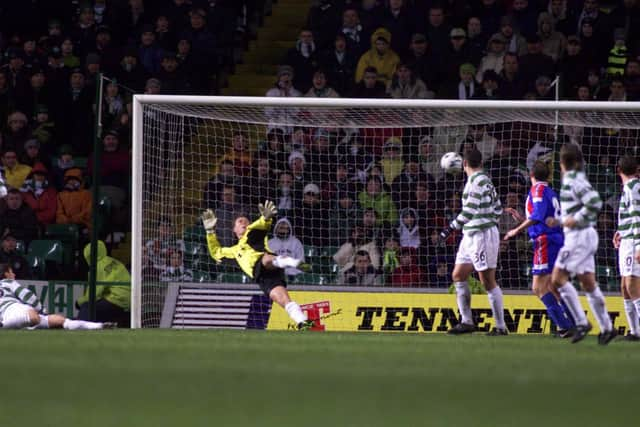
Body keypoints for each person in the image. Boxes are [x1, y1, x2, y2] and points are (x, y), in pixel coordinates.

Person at [201, 200, 313, 330]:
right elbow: (216, 253)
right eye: (239, 221)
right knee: (281, 299)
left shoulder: (252, 233)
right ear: (234, 229)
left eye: (245, 221)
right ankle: (304, 323)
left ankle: (293, 262)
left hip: (268, 264)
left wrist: (266, 218)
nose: (243, 222)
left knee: (265, 259)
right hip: (261, 277)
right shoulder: (232, 251)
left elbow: (262, 225)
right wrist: (210, 232)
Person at [546, 144, 615, 344]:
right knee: (588, 283)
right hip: (582, 234)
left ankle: (582, 322)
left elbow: (594, 201)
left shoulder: (572, 180)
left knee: (557, 279)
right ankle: (607, 328)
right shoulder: (574, 180)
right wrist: (559, 221)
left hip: (579, 236)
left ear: (562, 163)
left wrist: (575, 219)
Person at [439, 147, 507, 335]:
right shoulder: (483, 180)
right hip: (470, 235)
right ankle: (467, 322)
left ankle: (501, 327)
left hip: (481, 235)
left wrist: (449, 228)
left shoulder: (477, 181)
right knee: (458, 275)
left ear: (464, 163)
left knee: (488, 281)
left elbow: (468, 212)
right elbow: (499, 208)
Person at [503, 161, 575, 337]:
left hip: (545, 241)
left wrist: (516, 230)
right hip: (554, 239)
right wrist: (521, 219)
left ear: (531, 175)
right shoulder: (550, 192)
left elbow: (538, 216)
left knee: (538, 287)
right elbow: (540, 217)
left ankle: (565, 326)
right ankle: (573, 323)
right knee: (552, 286)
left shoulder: (538, 190)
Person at [0, 264, 113, 330]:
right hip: (12, 308)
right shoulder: (7, 282)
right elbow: (26, 295)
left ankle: (99, 325)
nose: (14, 275)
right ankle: (4, 325)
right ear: (6, 274)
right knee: (34, 317)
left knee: (60, 320)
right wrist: (41, 309)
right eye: (11, 272)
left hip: (6, 316)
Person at [612, 156, 640, 340]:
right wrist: (620, 231)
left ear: (618, 170)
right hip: (626, 240)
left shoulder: (633, 187)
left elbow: (638, 216)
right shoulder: (629, 187)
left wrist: (639, 245)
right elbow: (631, 217)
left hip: (633, 242)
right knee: (624, 286)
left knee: (632, 284)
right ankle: (634, 332)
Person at [76, 241, 131, 327]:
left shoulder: (96, 267)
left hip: (116, 300)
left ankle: (79, 328)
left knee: (86, 306)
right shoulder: (114, 261)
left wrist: (79, 302)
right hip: (129, 300)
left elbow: (94, 293)